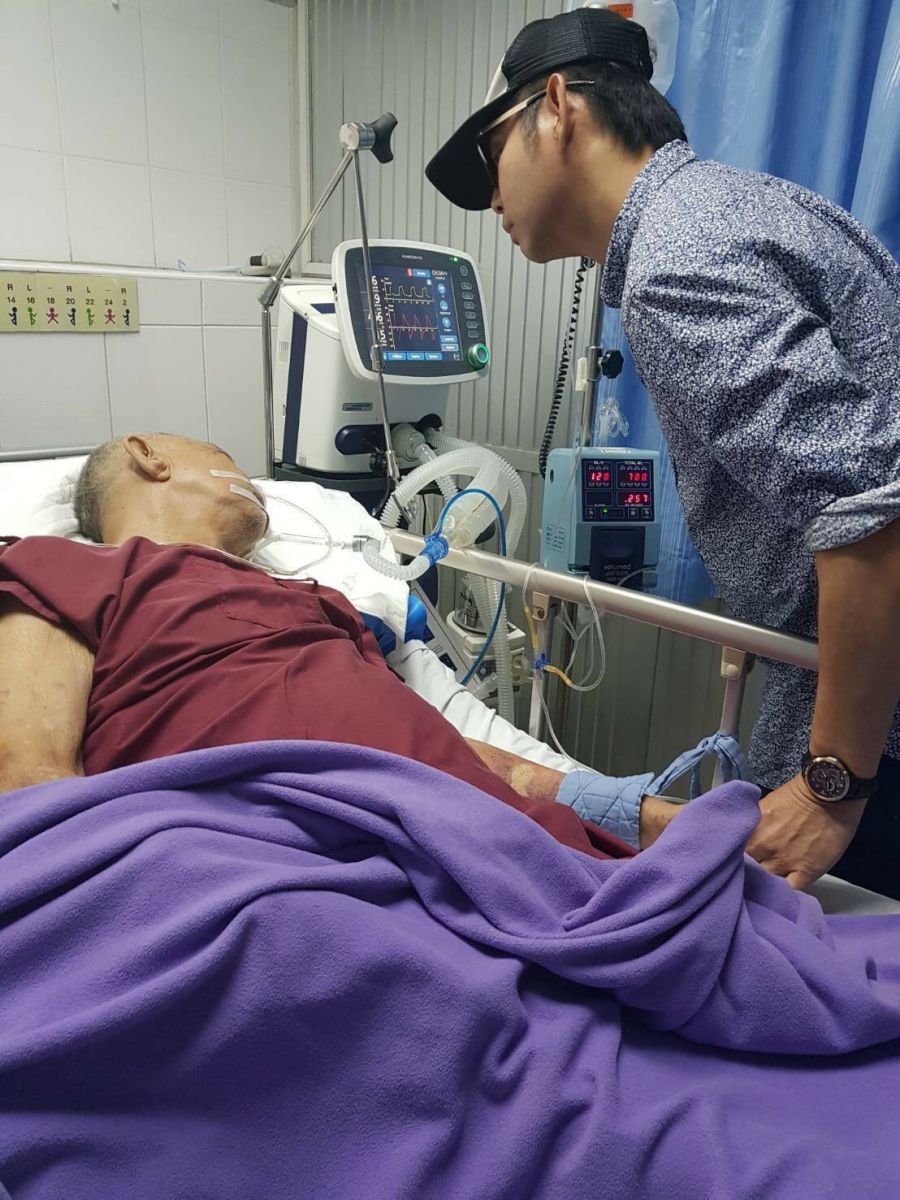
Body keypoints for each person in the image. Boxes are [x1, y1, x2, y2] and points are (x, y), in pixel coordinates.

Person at [425, 6, 900, 897]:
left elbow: (868, 509)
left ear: (556, 107)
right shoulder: (736, 203)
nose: (490, 200)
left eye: (492, 157)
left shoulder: (677, 260)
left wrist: (831, 782)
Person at [0, 432, 677, 861]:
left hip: (499, 849)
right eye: (227, 459)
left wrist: (622, 811)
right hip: (302, 872)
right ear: (150, 455)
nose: (252, 483)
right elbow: (33, 792)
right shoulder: (57, 571)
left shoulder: (319, 602)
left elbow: (422, 739)